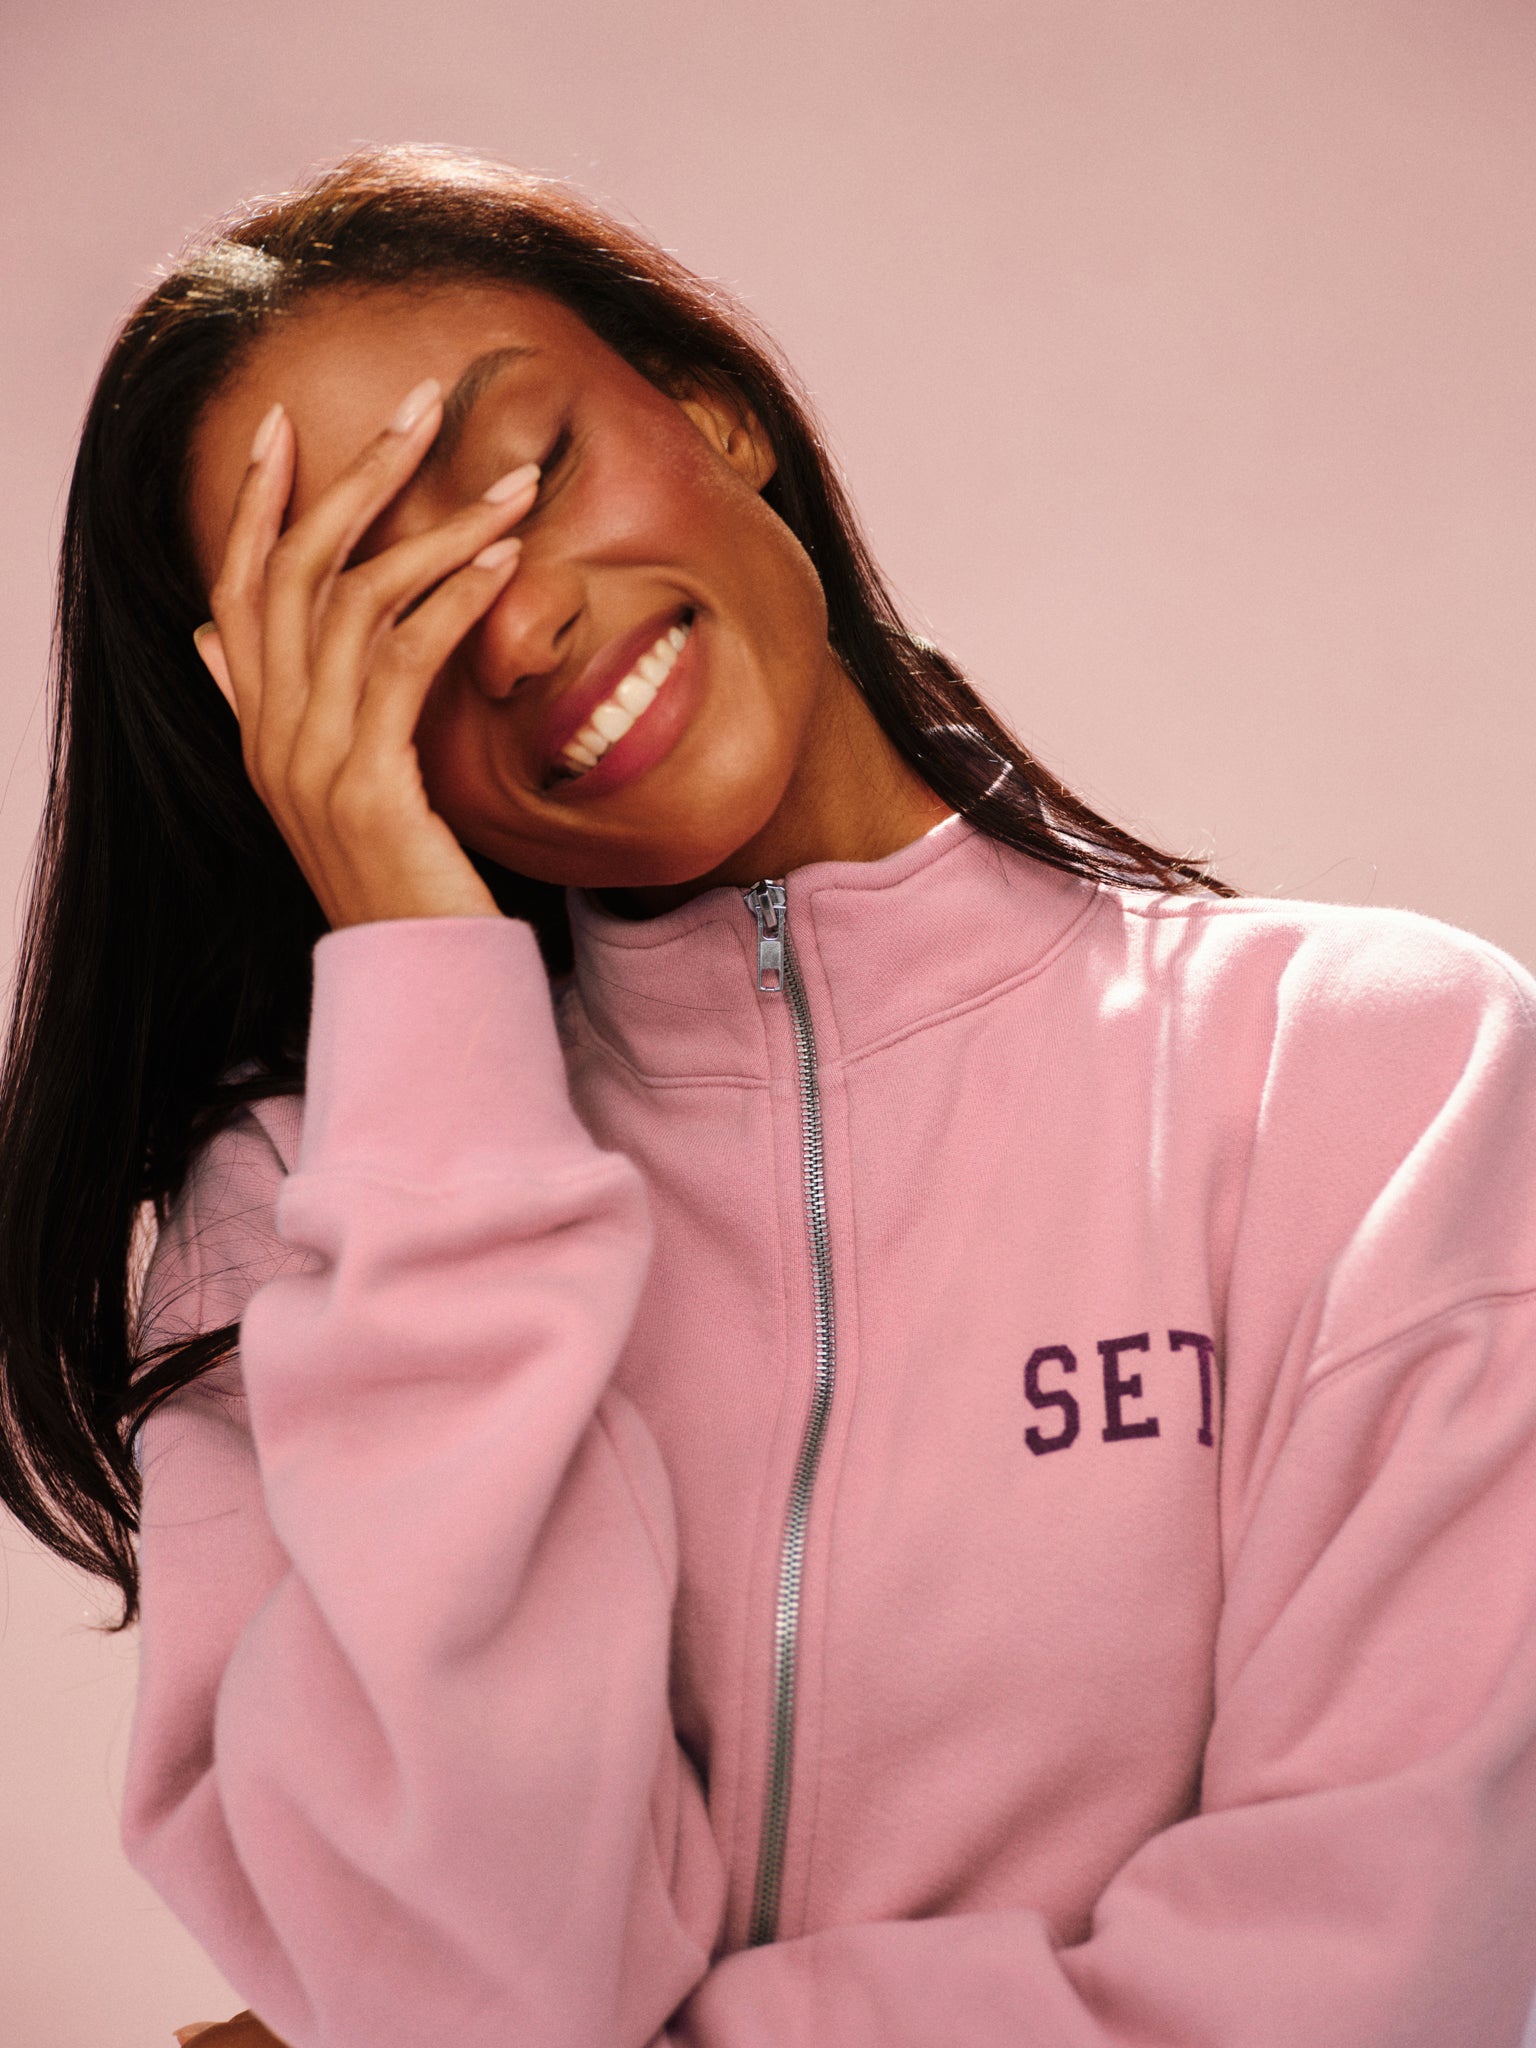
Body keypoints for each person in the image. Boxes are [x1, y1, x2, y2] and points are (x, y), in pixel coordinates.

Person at [1, 141, 1534, 2048]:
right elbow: (484, 1990)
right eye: (373, 623)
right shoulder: (303, 1221)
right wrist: (423, 1004)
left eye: (522, 471)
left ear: (712, 415)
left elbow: (1397, 1978)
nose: (518, 628)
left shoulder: (1376, 1076)